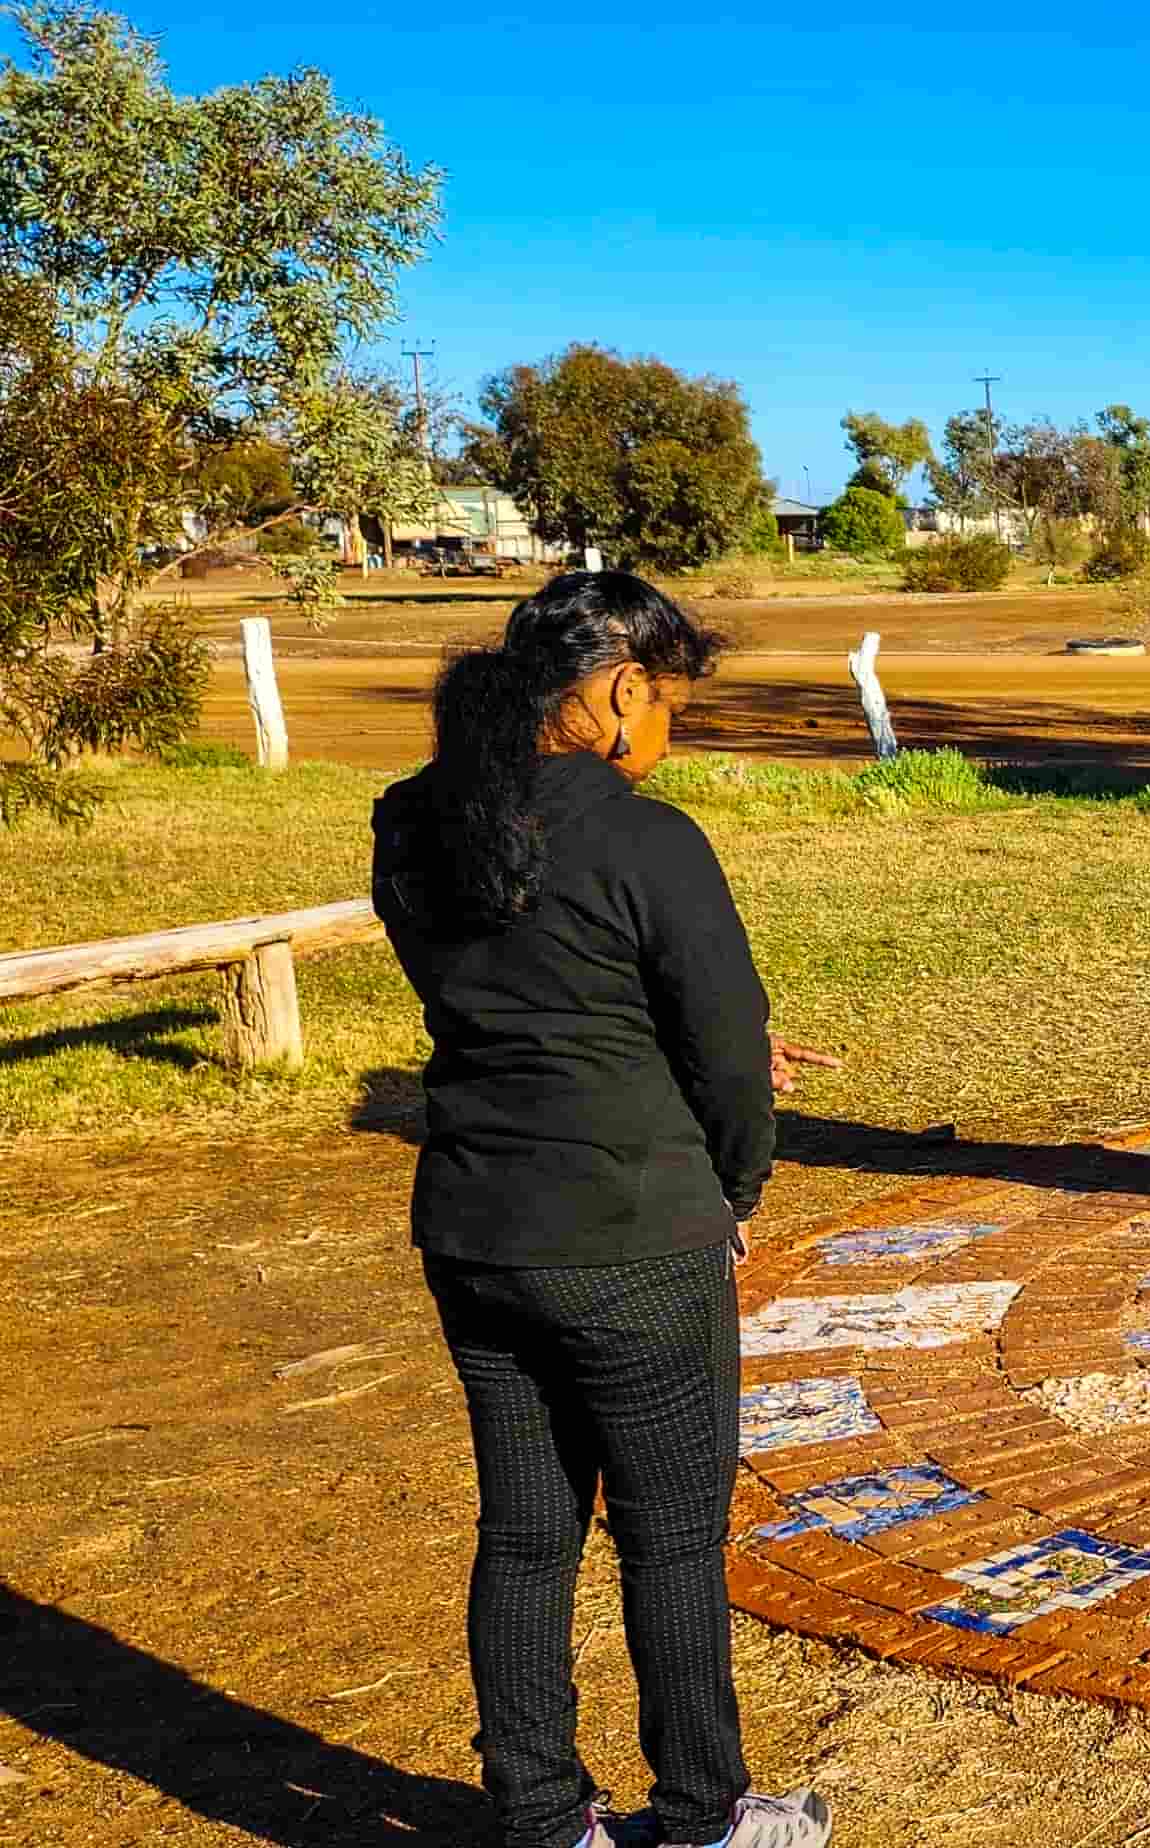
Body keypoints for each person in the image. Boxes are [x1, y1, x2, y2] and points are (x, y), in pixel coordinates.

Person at [371, 573, 840, 1848]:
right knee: (670, 1541)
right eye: (669, 706)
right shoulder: (648, 837)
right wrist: (736, 1184)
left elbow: (503, 1004)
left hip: (474, 1226)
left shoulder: (411, 822)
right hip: (635, 1235)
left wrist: (683, 1045)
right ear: (625, 691)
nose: (666, 734)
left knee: (523, 1538)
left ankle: (540, 1820)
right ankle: (704, 1817)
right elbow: (728, 1061)